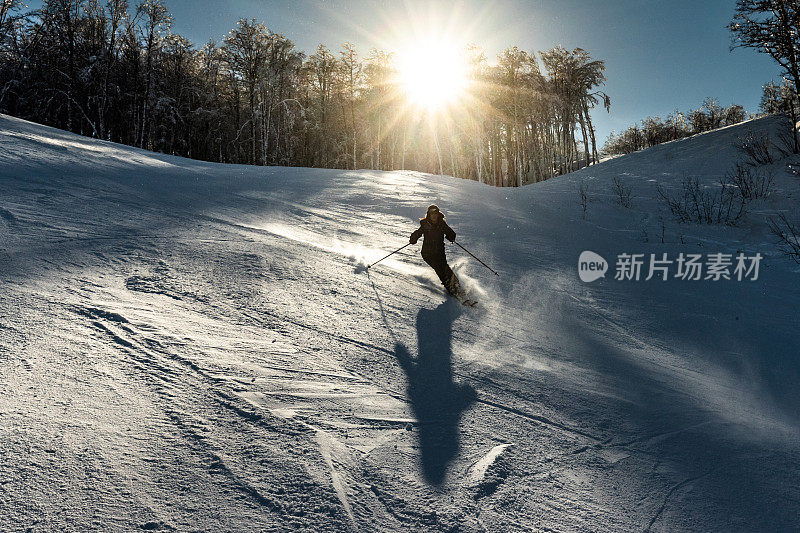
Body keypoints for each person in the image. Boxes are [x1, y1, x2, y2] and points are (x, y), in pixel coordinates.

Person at [409, 204, 461, 296]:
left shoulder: (442, 224)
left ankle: (457, 287)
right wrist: (414, 238)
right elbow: (418, 232)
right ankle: (451, 289)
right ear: (428, 214)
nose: (434, 215)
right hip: (428, 253)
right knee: (439, 269)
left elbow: (451, 233)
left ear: (438, 214)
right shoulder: (425, 224)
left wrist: (451, 236)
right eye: (431, 213)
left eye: (435, 213)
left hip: (440, 252)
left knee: (445, 268)